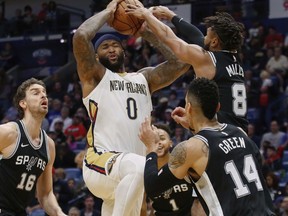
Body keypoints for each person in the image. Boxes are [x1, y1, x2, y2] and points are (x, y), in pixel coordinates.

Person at [72, 0, 189, 215]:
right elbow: (80, 37)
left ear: (124, 50)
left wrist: (145, 31)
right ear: (96, 57)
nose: (111, 49)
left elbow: (181, 63)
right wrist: (108, 13)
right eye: (105, 47)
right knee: (139, 166)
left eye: (115, 45)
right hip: (102, 161)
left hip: (130, 174)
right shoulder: (95, 77)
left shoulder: (144, 78)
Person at [139, 77, 275, 215]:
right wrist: (193, 126)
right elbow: (259, 162)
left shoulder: (190, 148)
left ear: (189, 107)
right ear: (218, 107)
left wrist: (151, 147)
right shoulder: (239, 132)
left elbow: (153, 186)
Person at [126, 5, 249, 132]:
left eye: (207, 35)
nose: (203, 38)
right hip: (241, 134)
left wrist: (147, 15)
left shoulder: (206, 59)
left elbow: (169, 38)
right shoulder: (234, 57)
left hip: (222, 134)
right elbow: (196, 36)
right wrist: (170, 15)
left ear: (214, 42)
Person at [0, 78, 66, 216]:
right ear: (23, 103)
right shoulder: (8, 133)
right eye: (35, 93)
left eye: (44, 93)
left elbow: (46, 195)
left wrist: (60, 214)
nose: (43, 95)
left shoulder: (49, 145)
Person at [146, 123, 194, 216]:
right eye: (154, 140)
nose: (158, 143)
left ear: (171, 142)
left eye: (162, 138)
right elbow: (143, 206)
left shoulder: (183, 163)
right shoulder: (146, 171)